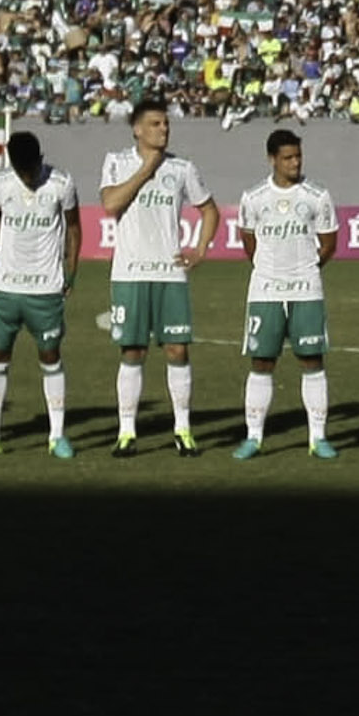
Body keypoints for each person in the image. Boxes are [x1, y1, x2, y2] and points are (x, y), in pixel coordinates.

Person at [100, 95, 209, 458]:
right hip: (130, 274)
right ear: (137, 129)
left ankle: (183, 429)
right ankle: (127, 432)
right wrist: (147, 169)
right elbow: (111, 204)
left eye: (166, 124)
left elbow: (209, 210)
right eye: (155, 124)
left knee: (178, 350)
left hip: (170, 274)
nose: (164, 130)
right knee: (133, 351)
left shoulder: (183, 169)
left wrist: (201, 248)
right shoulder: (116, 162)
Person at [230, 127, 339, 460]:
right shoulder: (254, 197)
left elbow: (329, 241)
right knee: (262, 361)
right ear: (272, 159)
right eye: (288, 157)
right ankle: (254, 437)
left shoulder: (317, 195)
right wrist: (270, 269)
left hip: (306, 289)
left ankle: (318, 438)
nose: (295, 163)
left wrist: (305, 268)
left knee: (311, 360)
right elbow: (249, 239)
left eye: (298, 156)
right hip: (265, 290)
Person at [0, 130, 80, 460]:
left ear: (40, 158)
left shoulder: (61, 183)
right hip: (6, 288)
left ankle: (56, 436)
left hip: (45, 289)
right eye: (21, 170)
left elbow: (75, 227)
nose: (27, 176)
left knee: (50, 358)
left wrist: (71, 270)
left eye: (31, 169)